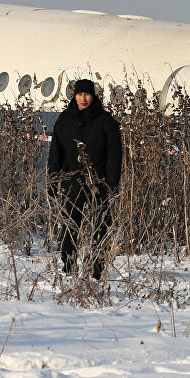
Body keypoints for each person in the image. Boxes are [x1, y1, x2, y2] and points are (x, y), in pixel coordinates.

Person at [47, 79, 122, 280]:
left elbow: (115, 155)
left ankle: (97, 269)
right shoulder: (65, 120)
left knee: (101, 225)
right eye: (80, 94)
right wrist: (53, 181)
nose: (83, 98)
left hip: (99, 182)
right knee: (71, 224)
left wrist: (112, 184)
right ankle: (69, 267)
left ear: (93, 96)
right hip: (72, 180)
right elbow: (56, 152)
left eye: (87, 94)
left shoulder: (106, 121)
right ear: (74, 96)